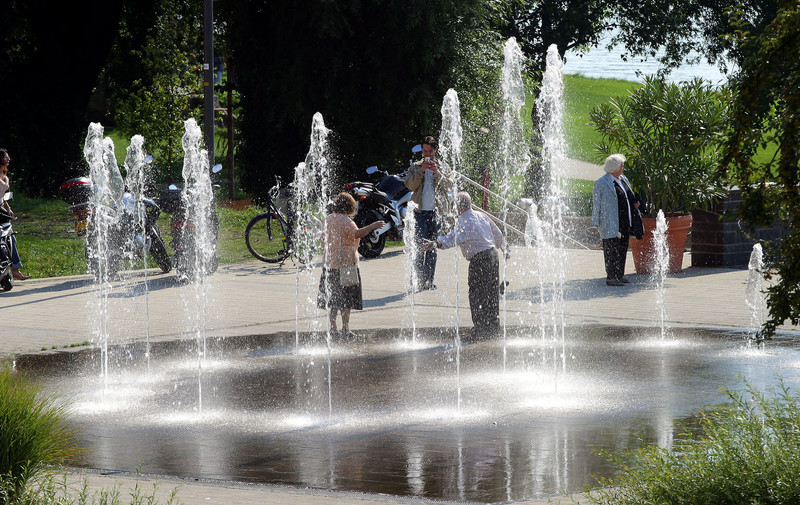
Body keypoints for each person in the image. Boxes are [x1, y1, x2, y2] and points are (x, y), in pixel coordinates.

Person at [422, 192, 506, 337]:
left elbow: (451, 239)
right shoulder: (481, 215)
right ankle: (493, 328)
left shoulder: (464, 221)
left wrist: (434, 243)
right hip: (493, 256)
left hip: (479, 259)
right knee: (492, 293)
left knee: (476, 294)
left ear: (458, 206)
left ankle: (480, 330)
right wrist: (504, 247)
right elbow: (496, 232)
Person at [317, 193, 385, 338]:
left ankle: (333, 328)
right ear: (350, 206)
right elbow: (357, 233)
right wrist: (373, 226)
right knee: (346, 300)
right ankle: (345, 328)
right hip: (346, 265)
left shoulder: (327, 219)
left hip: (329, 264)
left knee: (333, 299)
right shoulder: (346, 221)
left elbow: (322, 239)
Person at [404, 135, 453, 291]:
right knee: (419, 246)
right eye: (424, 151)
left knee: (432, 248)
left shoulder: (443, 167)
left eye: (430, 151)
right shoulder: (415, 166)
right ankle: (417, 281)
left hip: (436, 213)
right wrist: (421, 171)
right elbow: (410, 185)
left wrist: (436, 173)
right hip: (419, 212)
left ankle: (429, 281)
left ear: (435, 150)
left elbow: (449, 185)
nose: (427, 154)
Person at [592, 153, 640, 287]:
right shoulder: (601, 183)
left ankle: (619, 274)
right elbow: (596, 203)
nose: (623, 167)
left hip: (625, 220)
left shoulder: (623, 179)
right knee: (611, 249)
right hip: (610, 222)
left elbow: (629, 195)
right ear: (614, 168)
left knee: (622, 247)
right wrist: (596, 221)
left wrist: (635, 203)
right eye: (622, 165)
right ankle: (611, 277)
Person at [0, 148, 30, 281]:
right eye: (6, 157)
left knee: (10, 237)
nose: (9, 159)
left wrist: (8, 208)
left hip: (1, 209)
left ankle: (15, 269)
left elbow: (3, 197)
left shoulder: (4, 175)